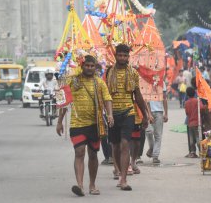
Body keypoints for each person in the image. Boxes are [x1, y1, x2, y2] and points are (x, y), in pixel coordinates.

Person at [56, 55, 114, 197]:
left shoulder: (100, 83)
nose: (89, 68)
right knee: (79, 152)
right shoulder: (73, 81)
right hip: (77, 124)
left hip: (95, 124)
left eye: (91, 66)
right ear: (82, 66)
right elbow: (64, 101)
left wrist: (110, 114)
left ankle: (92, 184)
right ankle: (80, 185)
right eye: (86, 65)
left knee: (93, 154)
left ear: (95, 67)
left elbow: (107, 99)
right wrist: (59, 121)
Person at [106, 44, 148, 191]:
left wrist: (145, 115)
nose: (122, 58)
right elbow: (104, 95)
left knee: (125, 144)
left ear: (128, 57)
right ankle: (119, 172)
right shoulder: (108, 72)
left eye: (125, 55)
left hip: (128, 112)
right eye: (120, 55)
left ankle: (123, 179)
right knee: (116, 147)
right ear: (116, 56)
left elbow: (138, 95)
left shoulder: (133, 73)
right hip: (112, 114)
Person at [146, 82, 168, 164]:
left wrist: (166, 113)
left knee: (158, 135)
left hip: (159, 111)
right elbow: (146, 99)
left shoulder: (162, 83)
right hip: (149, 111)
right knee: (149, 132)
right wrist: (148, 113)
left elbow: (165, 98)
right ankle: (152, 148)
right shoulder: (147, 81)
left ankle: (155, 156)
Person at [184, 86, 206, 158]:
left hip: (190, 123)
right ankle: (201, 151)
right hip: (197, 122)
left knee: (191, 138)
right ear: (194, 93)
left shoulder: (186, 102)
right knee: (198, 137)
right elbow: (202, 108)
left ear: (187, 94)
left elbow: (187, 112)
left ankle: (192, 152)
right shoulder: (197, 101)